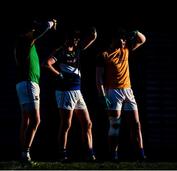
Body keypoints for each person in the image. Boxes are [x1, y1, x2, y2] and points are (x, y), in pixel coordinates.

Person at [43, 26, 97, 162]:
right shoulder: (61, 51)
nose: (78, 41)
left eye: (78, 39)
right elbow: (46, 63)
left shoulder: (78, 49)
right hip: (65, 92)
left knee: (88, 123)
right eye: (75, 39)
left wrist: (93, 31)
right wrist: (59, 74)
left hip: (77, 91)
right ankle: (63, 155)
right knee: (66, 124)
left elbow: (92, 37)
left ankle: (90, 154)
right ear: (69, 39)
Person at [96, 28, 146, 161]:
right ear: (113, 39)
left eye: (125, 39)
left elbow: (142, 39)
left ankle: (140, 155)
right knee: (115, 125)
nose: (124, 42)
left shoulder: (126, 49)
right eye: (121, 39)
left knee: (136, 124)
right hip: (113, 91)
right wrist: (102, 95)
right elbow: (99, 78)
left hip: (128, 90)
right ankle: (113, 155)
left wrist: (135, 32)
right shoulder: (104, 54)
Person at [14, 19, 57, 165]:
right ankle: (25, 154)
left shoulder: (24, 42)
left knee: (26, 120)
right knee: (36, 120)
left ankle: (23, 153)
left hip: (27, 83)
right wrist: (51, 22)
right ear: (28, 31)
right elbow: (44, 27)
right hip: (28, 83)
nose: (34, 32)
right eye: (33, 29)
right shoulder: (25, 40)